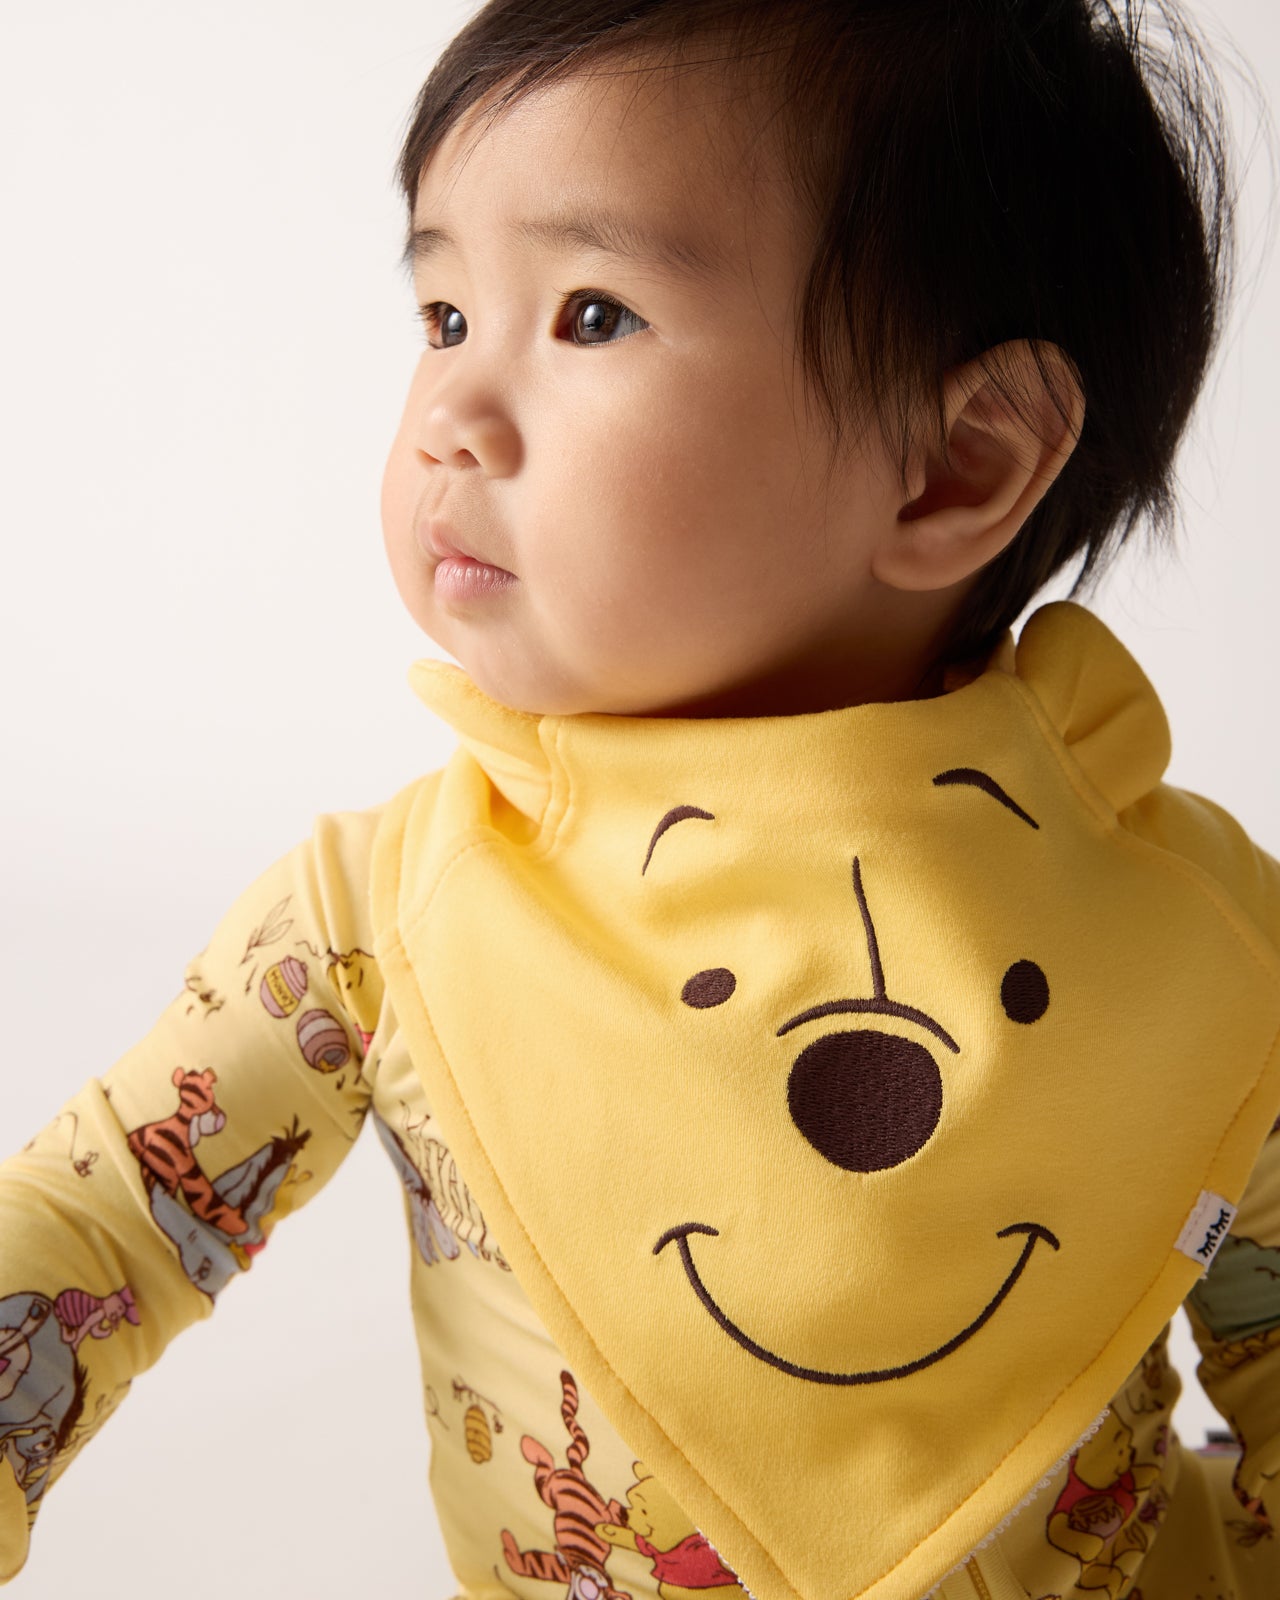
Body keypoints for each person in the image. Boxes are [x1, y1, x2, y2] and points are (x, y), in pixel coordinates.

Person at [3, 1, 1279, 1597]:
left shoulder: (1206, 940)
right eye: (448, 313)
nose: (449, 417)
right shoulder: (391, 915)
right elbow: (100, 1227)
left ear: (955, 466)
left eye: (592, 315)